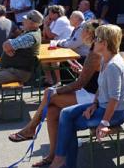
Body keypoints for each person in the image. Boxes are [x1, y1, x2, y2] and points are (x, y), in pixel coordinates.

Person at [8, 20, 101, 168]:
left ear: (89, 33)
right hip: (89, 92)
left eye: (82, 29)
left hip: (92, 97)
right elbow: (92, 76)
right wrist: (83, 70)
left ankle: (31, 129)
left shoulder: (94, 53)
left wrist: (56, 90)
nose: (79, 32)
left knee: (49, 94)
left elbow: (80, 84)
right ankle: (52, 155)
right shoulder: (94, 50)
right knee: (51, 111)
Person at [50, 24, 124, 168]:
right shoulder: (104, 60)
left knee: (69, 124)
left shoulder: (113, 65)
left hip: (115, 113)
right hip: (102, 107)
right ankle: (60, 159)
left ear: (104, 43)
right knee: (66, 113)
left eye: (97, 39)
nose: (94, 41)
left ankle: (61, 160)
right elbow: (101, 88)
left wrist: (104, 123)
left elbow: (115, 98)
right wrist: (94, 104)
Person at [42, 5, 73, 86]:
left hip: (65, 47)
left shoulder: (61, 20)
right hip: (57, 45)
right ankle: (49, 79)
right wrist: (46, 25)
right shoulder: (55, 21)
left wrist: (45, 24)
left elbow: (50, 35)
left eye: (49, 13)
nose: (48, 16)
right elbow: (45, 35)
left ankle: (58, 81)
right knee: (43, 58)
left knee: (53, 58)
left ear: (56, 14)